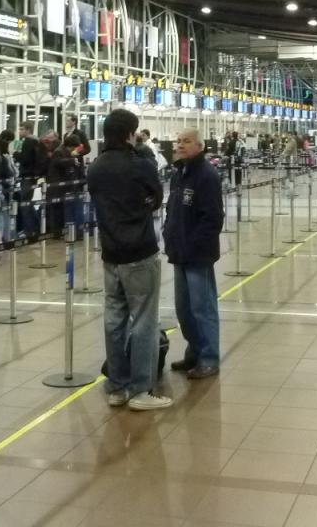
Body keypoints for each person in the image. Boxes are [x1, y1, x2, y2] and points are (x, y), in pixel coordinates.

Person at [87, 108, 168, 411]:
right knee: (145, 320)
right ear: (130, 134)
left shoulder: (95, 167)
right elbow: (156, 198)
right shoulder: (140, 164)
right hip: (140, 252)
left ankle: (117, 387)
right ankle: (141, 390)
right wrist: (141, 204)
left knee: (114, 320)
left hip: (110, 253)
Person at [163, 129, 225, 379]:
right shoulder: (179, 173)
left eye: (186, 141)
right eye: (178, 141)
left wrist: (194, 245)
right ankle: (195, 351)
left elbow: (213, 218)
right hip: (179, 251)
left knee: (202, 308)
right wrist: (168, 234)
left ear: (200, 146)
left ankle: (209, 358)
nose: (180, 145)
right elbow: (172, 209)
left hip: (197, 255)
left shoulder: (206, 175)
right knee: (184, 309)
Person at [13, 121, 47, 235]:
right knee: (29, 202)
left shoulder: (28, 142)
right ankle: (36, 226)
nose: (19, 131)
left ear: (28, 130)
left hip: (27, 175)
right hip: (34, 175)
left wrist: (15, 154)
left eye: (22, 129)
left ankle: (29, 230)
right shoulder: (37, 141)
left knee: (25, 204)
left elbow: (25, 159)